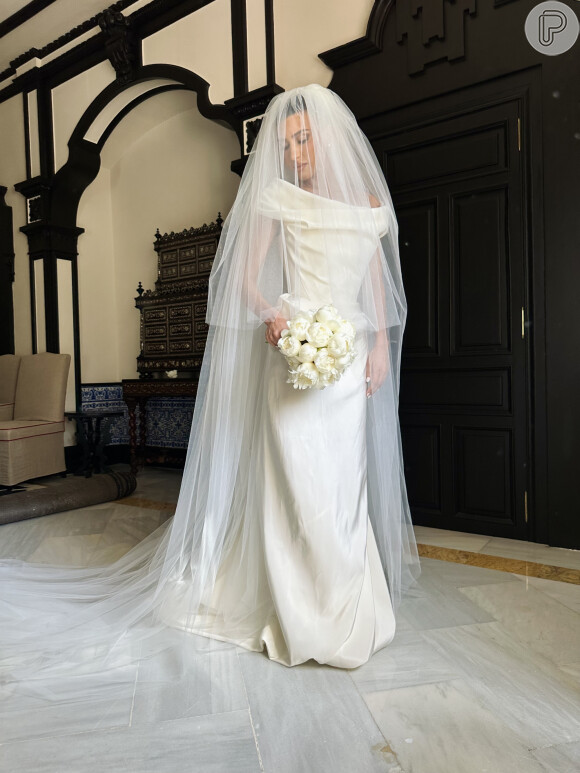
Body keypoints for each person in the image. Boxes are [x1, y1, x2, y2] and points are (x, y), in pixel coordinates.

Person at [0, 85, 419, 694]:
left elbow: (376, 281)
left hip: (349, 363)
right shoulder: (277, 198)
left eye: (303, 140)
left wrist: (379, 343)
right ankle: (293, 607)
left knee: (341, 487)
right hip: (292, 356)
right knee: (296, 485)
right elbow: (242, 282)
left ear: (326, 138)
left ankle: (347, 606)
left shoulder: (369, 201)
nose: (296, 152)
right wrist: (272, 316)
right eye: (287, 142)